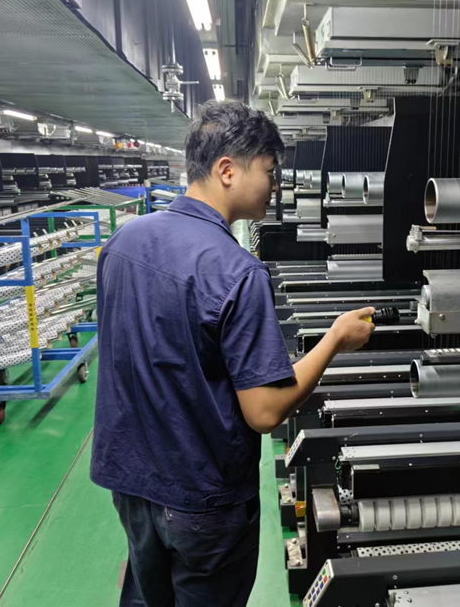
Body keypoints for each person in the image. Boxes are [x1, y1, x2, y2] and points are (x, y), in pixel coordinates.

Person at [90, 99, 375, 607]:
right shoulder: (236, 271)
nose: (274, 185)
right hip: (202, 500)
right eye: (268, 171)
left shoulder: (123, 242)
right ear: (227, 170)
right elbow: (264, 411)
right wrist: (334, 339)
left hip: (132, 485)